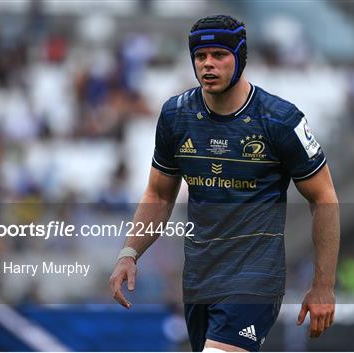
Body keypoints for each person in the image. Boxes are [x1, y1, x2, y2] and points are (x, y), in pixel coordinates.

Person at [109, 15, 340, 352]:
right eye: (201, 57)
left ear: (240, 57)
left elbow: (324, 198)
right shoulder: (176, 116)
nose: (208, 64)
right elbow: (159, 194)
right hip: (200, 280)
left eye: (220, 55)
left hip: (255, 279)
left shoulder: (280, 120)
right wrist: (129, 253)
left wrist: (323, 286)